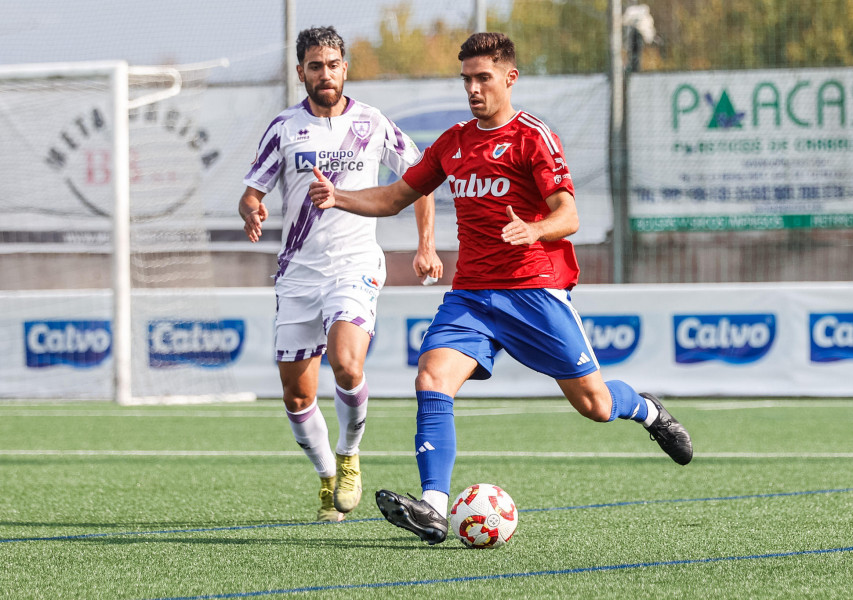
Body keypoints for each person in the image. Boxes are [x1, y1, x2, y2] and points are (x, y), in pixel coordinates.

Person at [308, 32, 691, 543]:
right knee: (431, 379)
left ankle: (646, 409)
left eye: (482, 77)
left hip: (534, 290)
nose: (473, 88)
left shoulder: (533, 137)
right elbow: (398, 195)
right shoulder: (454, 142)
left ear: (509, 78)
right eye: (466, 78)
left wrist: (533, 230)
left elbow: (569, 214)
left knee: (595, 405)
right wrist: (340, 196)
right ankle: (434, 507)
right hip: (472, 295)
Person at [239, 26, 442, 522]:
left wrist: (426, 246)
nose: (324, 74)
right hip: (298, 275)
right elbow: (252, 191)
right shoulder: (284, 128)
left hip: (354, 266)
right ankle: (327, 474)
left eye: (332, 64)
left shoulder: (373, 123)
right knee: (297, 393)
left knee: (347, 364)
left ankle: (351, 453)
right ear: (301, 72)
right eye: (314, 66)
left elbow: (422, 178)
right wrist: (251, 210)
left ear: (345, 68)